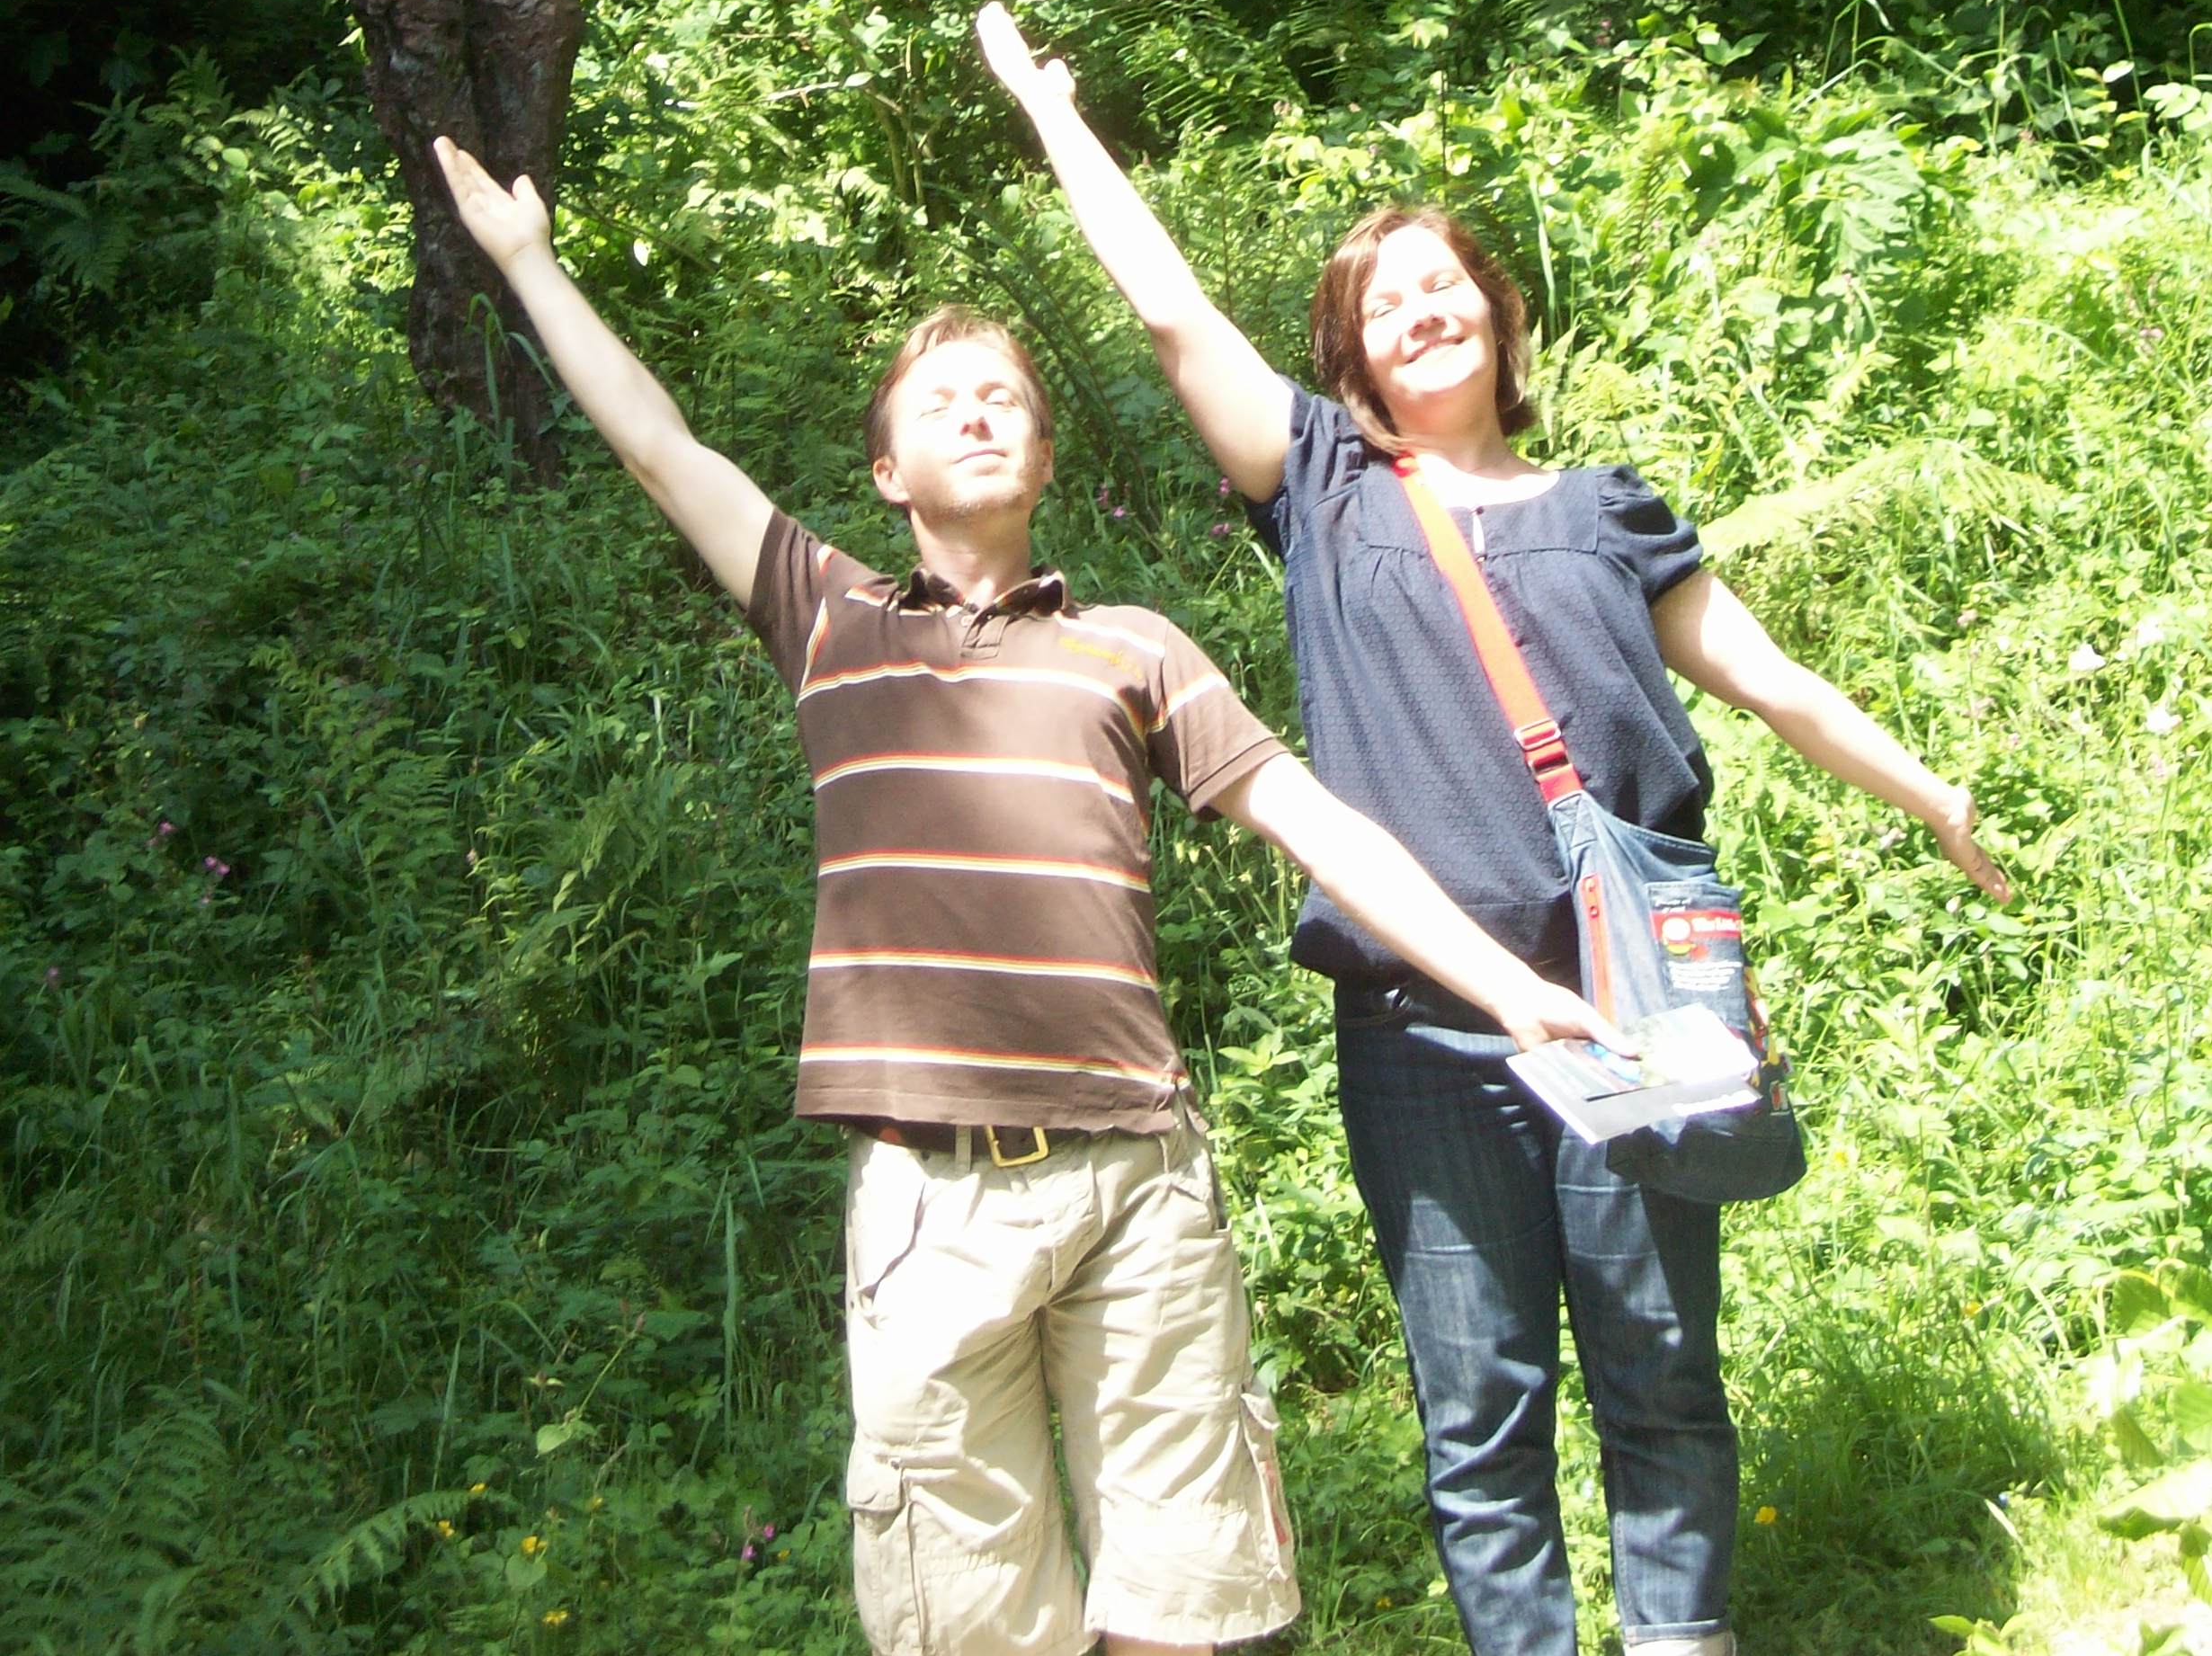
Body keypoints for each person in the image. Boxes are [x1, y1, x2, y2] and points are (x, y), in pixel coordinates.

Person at [434, 134, 1618, 1656]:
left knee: (1185, 1611)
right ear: (886, 472)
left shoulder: (1135, 648)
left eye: (1006, 398)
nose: (982, 414)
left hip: (1140, 1187)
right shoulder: (831, 620)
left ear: (1046, 460)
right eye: (943, 403)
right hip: (932, 1203)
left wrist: (1510, 985)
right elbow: (664, 449)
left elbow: (1322, 828)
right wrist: (529, 264)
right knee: (972, 1623)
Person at [974, 3, 2011, 1656]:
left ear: (1498, 316)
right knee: (1481, 1411)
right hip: (1423, 1029)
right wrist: (1053, 114)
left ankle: (1680, 1638)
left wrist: (1933, 794)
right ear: (1353, 360)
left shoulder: (1607, 511)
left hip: (1636, 1000)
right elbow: (1172, 315)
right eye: (1385, 302)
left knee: (1661, 1372)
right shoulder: (1323, 489)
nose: (1423, 309)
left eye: (1445, 283)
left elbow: (1777, 684)